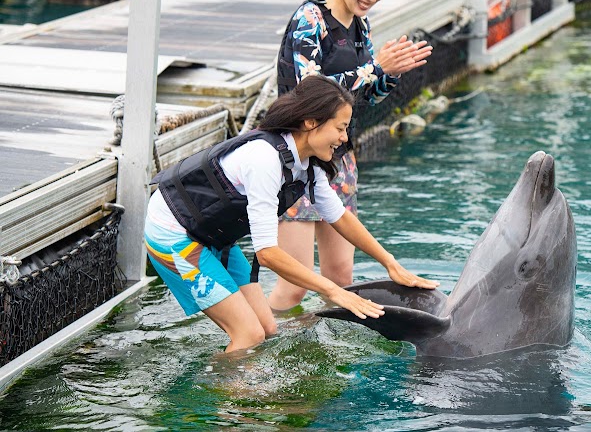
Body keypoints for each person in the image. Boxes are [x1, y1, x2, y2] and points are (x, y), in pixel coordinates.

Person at [144, 76, 439, 352]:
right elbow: (268, 254)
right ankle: (221, 393)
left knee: (267, 329)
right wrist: (333, 290)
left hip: (211, 236)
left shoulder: (307, 166)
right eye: (340, 128)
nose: (344, 138)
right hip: (172, 232)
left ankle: (245, 383)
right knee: (248, 335)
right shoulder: (264, 160)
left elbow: (340, 217)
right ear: (311, 122)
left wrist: (390, 263)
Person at [269, 0, 433, 311]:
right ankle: (261, 340)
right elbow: (308, 89)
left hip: (339, 156)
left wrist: (391, 73)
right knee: (294, 285)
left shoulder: (361, 26)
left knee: (342, 277)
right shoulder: (311, 19)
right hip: (297, 157)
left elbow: (366, 96)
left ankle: (320, 341)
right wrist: (375, 68)